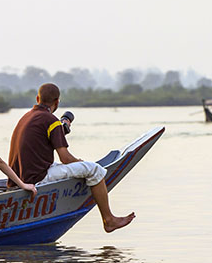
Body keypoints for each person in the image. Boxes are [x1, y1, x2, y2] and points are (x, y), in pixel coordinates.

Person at [8, 83, 135, 233]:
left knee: (74, 167)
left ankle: (108, 217)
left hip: (18, 179)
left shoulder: (26, 117)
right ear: (57, 102)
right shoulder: (51, 121)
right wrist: (80, 162)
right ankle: (109, 220)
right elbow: (65, 158)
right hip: (36, 178)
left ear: (37, 99)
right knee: (94, 169)